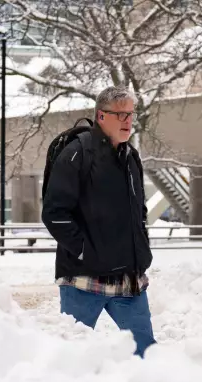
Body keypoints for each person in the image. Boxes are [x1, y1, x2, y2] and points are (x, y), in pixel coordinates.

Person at [42, 86, 156, 357]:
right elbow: (54, 213)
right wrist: (85, 250)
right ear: (101, 116)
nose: (128, 121)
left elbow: (138, 211)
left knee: (148, 356)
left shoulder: (131, 157)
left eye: (130, 114)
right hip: (84, 280)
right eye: (120, 115)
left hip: (129, 280)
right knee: (73, 358)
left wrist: (140, 248)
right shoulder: (76, 154)